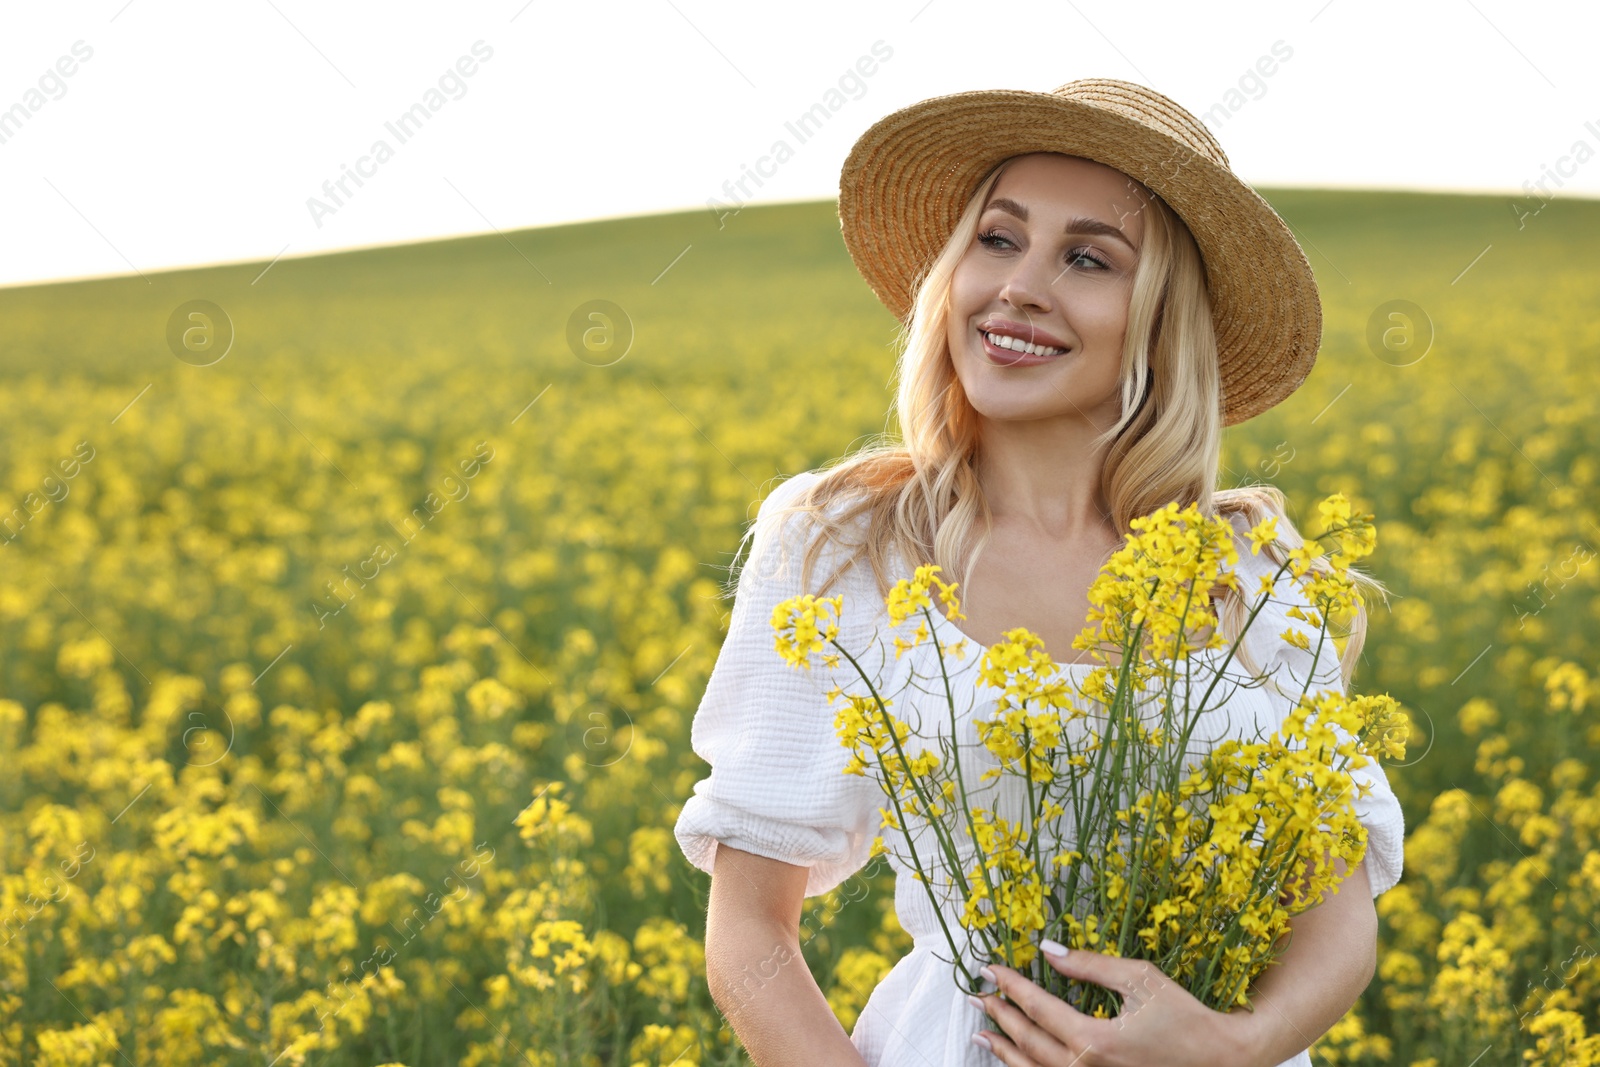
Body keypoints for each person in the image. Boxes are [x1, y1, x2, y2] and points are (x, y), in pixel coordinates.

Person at [673, 77, 1406, 1067]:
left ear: (1159, 319)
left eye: (1088, 258)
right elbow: (750, 933)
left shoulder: (1255, 574)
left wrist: (1236, 1043)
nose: (1019, 285)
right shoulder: (845, 544)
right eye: (998, 238)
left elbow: (1333, 902)